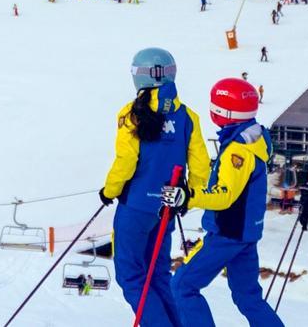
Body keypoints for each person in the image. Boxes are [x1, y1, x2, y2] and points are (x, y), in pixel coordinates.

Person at [99, 48, 210, 327]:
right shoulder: (187, 116)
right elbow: (200, 166)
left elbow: (126, 161)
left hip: (135, 206)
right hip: (166, 208)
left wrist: (110, 190)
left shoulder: (132, 113)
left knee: (130, 274)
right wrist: (190, 196)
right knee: (158, 274)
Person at [164, 78, 284, 327]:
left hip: (227, 235)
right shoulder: (254, 140)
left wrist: (187, 196)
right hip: (245, 235)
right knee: (247, 296)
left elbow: (224, 195)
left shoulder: (237, 151)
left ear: (222, 112)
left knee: (182, 285)